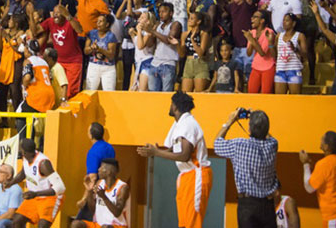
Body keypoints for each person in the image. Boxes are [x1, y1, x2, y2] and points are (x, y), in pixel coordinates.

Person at [137, 91, 212, 228]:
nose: (170, 106)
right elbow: (173, 148)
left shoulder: (188, 123)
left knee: (192, 221)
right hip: (185, 176)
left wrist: (157, 152)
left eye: (171, 104)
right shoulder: (178, 123)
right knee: (183, 222)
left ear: (175, 106)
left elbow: (185, 155)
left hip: (196, 175)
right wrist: (155, 151)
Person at [214, 109, 279, 228]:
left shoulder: (239, 145)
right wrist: (256, 118)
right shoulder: (273, 145)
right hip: (268, 204)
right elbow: (269, 136)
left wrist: (230, 121)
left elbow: (217, 144)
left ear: (249, 129)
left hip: (247, 205)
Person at [300, 131, 336, 228]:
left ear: (326, 147)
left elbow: (309, 188)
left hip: (335, 214)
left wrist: (305, 164)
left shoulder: (324, 164)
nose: (320, 140)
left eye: (322, 139)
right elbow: (330, 176)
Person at [9, 138, 66, 228]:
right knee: (16, 221)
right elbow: (23, 173)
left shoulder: (43, 163)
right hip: (35, 196)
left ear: (24, 152)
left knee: (42, 226)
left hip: (50, 198)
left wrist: (35, 194)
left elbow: (60, 188)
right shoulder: (26, 158)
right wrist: (10, 183)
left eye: (20, 149)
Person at [71, 158, 129, 228]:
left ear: (109, 172)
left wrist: (104, 197)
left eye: (101, 167)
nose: (98, 169)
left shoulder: (122, 187)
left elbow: (117, 213)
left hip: (117, 226)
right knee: (76, 224)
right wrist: (89, 191)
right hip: (99, 225)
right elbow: (93, 209)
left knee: (105, 227)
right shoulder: (99, 183)